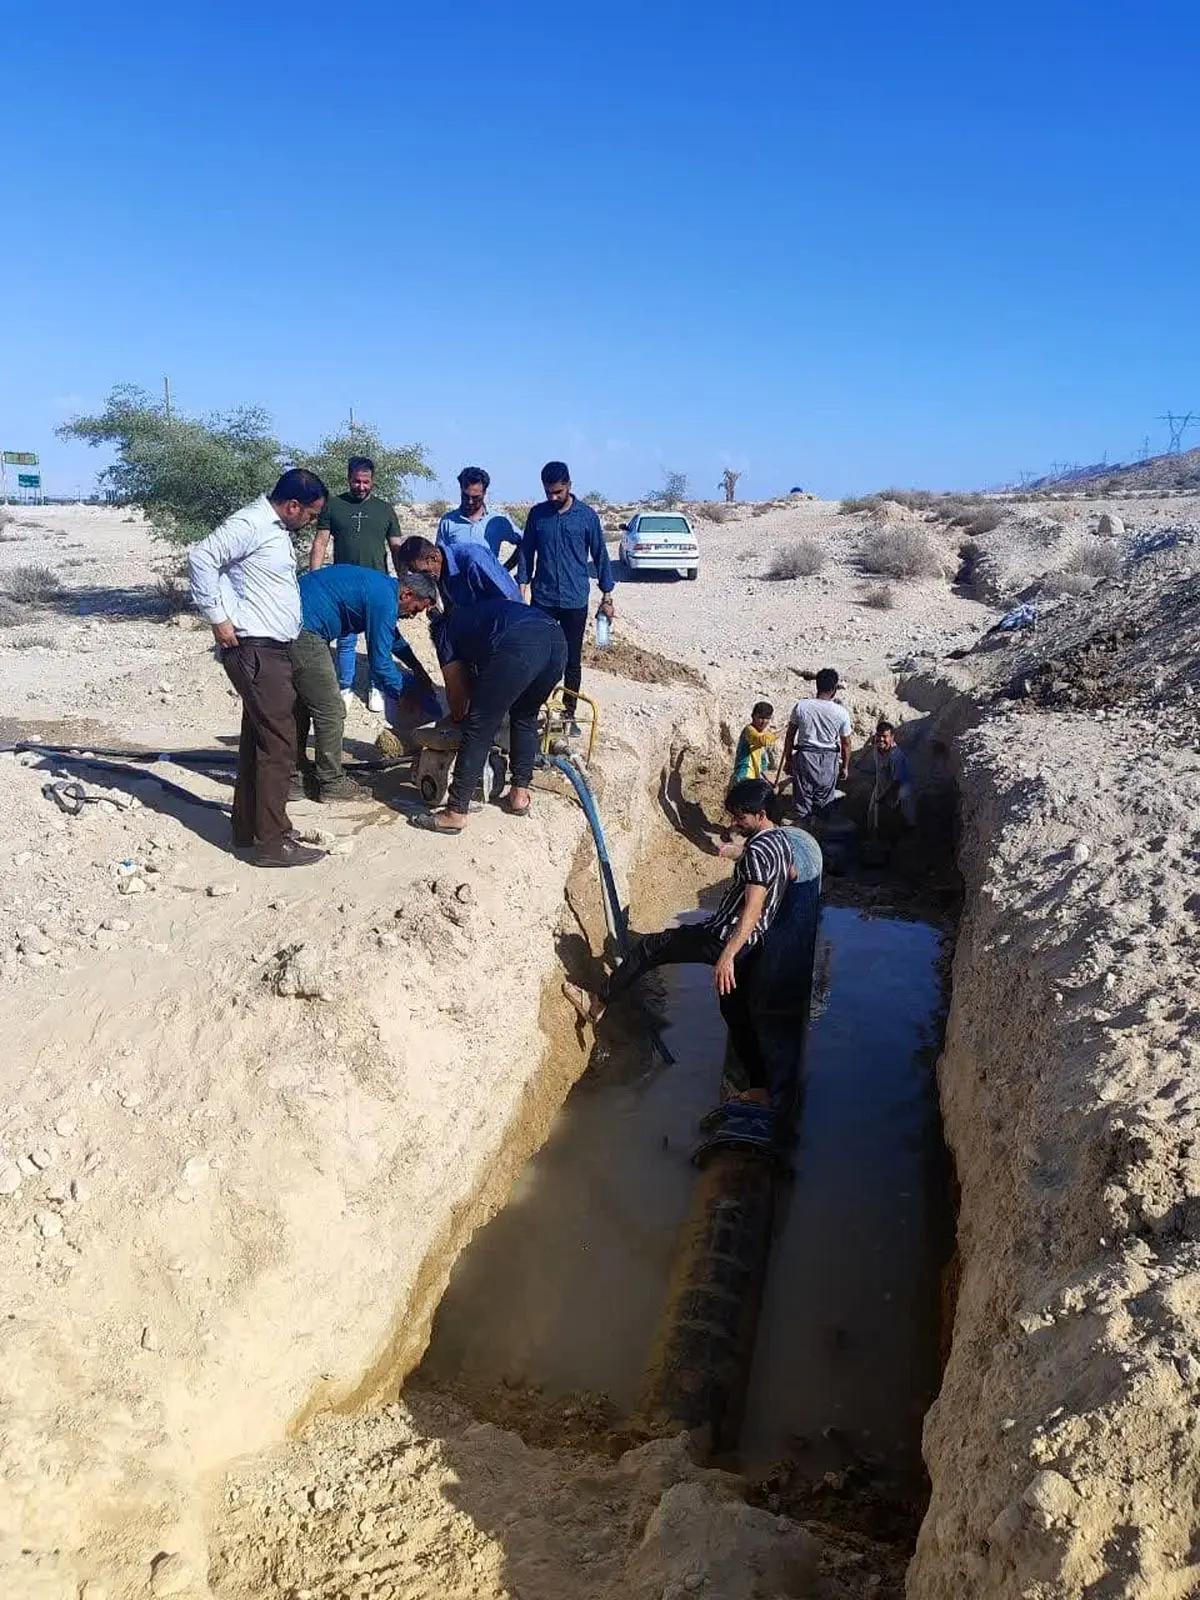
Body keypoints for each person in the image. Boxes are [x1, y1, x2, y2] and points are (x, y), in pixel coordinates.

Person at [563, 777, 795, 1104]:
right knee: (736, 1014)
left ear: (759, 814)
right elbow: (792, 874)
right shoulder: (781, 841)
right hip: (754, 945)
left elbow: (753, 907)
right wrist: (738, 855)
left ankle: (598, 1003)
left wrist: (727, 955)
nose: (733, 822)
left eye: (740, 817)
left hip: (726, 937)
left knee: (650, 948)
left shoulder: (758, 849)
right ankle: (761, 1088)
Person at [188, 470, 328, 869]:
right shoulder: (250, 523)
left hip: (271, 649)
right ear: (292, 505)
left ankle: (250, 829)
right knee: (280, 741)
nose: (312, 522)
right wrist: (218, 617)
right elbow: (201, 557)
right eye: (311, 514)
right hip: (255, 649)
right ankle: (273, 841)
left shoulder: (274, 529)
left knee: (258, 737)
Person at [408, 596, 568, 835]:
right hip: (556, 642)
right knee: (525, 716)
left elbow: (459, 701)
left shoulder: (444, 632)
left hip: (522, 645)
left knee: (480, 726)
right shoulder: (476, 615)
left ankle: (455, 812)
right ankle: (519, 796)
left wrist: (455, 717)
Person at [292, 567, 441, 801]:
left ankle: (293, 776)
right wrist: (402, 693)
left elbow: (390, 636)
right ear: (407, 595)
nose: (412, 616)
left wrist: (416, 666)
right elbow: (380, 663)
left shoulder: (383, 589)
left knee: (302, 705)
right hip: (304, 631)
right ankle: (331, 783)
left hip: (292, 621)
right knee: (331, 710)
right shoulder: (384, 599)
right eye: (415, 610)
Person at [518, 461, 615, 718]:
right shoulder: (537, 515)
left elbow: (601, 556)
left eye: (558, 492)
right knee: (539, 656)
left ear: (569, 485)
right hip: (543, 599)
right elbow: (526, 554)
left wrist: (607, 596)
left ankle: (568, 713)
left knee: (572, 661)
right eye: (548, 492)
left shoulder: (586, 516)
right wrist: (522, 589)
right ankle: (532, 710)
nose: (553, 497)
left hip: (575, 600)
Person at [308, 456, 403, 714]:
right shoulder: (334, 506)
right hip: (342, 588)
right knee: (346, 640)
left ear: (372, 481)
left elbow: (396, 547)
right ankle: (345, 686)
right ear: (348, 478)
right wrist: (313, 579)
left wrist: (403, 579)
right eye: (356, 481)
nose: (361, 486)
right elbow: (320, 543)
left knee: (379, 640)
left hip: (379, 586)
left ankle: (376, 687)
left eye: (365, 482)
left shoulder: (385, 509)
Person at [778, 668, 853, 825]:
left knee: (802, 801)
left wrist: (788, 759)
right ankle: (821, 839)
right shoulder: (841, 712)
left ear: (817, 686)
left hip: (805, 757)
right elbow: (846, 743)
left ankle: (802, 834)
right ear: (834, 690)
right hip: (828, 760)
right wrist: (845, 767)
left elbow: (790, 736)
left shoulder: (802, 706)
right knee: (824, 803)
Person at [394, 534, 520, 609]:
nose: (422, 577)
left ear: (434, 558)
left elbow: (507, 602)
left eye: (422, 572)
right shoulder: (438, 572)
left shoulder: (474, 560)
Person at [436, 467, 521, 566]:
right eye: (466, 496)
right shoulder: (447, 522)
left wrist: (504, 571)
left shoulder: (498, 521)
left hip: (488, 581)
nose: (470, 502)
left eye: (476, 498)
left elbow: (524, 543)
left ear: (484, 493)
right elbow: (438, 557)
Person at [869, 720, 917, 830]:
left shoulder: (896, 756)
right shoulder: (877, 748)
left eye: (885, 736)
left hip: (899, 789)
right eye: (879, 736)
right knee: (873, 817)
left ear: (892, 737)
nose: (881, 739)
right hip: (882, 785)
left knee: (896, 819)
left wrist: (884, 798)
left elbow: (897, 782)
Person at [732, 701, 778, 783]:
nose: (763, 721)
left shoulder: (760, 734)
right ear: (753, 716)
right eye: (760, 717)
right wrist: (783, 732)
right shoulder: (749, 730)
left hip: (755, 778)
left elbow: (762, 763)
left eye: (767, 718)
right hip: (744, 776)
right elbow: (763, 740)